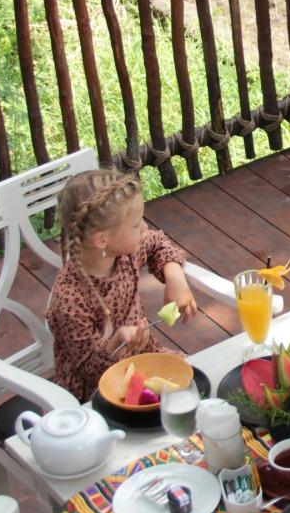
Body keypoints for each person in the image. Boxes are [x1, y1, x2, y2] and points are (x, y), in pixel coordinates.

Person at [47, 168, 198, 400]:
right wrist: (116, 342)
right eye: (136, 225)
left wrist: (175, 276)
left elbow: (158, 243)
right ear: (102, 239)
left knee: (199, 384)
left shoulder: (125, 253)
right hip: (99, 392)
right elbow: (89, 369)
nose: (145, 228)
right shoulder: (69, 301)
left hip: (146, 361)